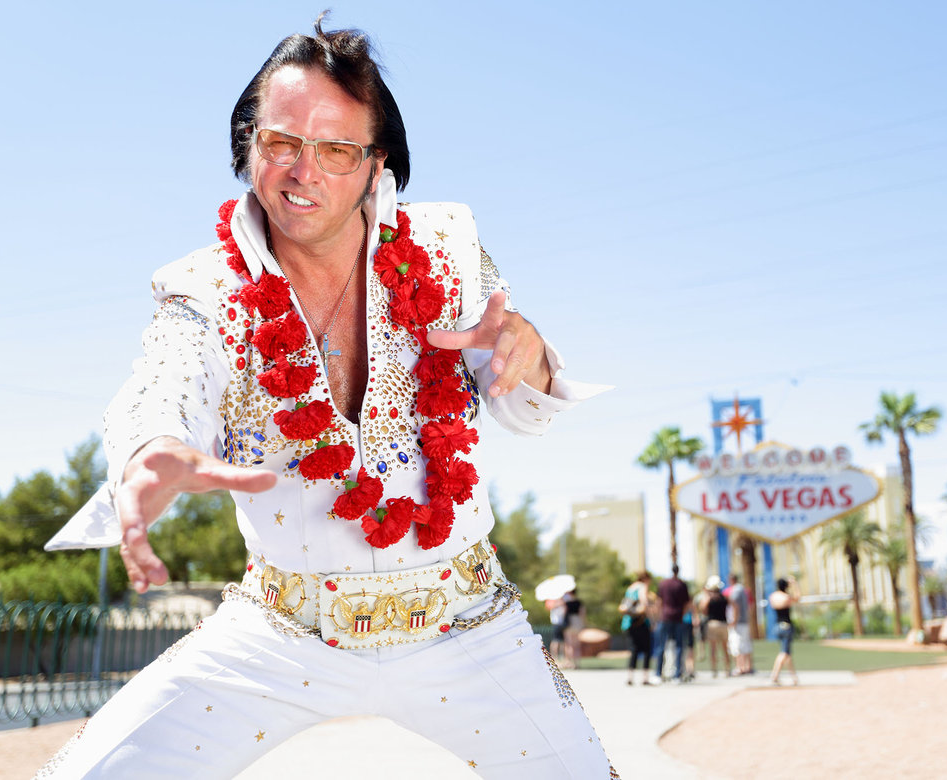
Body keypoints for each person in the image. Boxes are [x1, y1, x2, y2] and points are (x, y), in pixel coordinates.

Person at [37, 16, 616, 779]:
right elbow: (164, 379)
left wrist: (530, 351)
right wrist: (153, 449)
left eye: (337, 149)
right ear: (249, 150)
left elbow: (518, 403)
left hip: (468, 622)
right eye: (281, 142)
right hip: (280, 630)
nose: (303, 172)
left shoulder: (444, 246)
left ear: (378, 167)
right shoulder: (202, 289)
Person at [650, 565, 691, 684]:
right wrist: (682, 615)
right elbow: (686, 603)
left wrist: (657, 617)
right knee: (679, 647)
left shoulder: (663, 584)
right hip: (678, 618)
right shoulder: (681, 585)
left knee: (661, 646)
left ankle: (658, 673)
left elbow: (659, 602)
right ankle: (677, 675)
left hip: (665, 618)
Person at [620, 572, 654, 686]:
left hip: (629, 622)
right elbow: (644, 602)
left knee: (633, 649)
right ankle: (645, 677)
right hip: (641, 621)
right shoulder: (642, 587)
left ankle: (630, 676)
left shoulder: (630, 588)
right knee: (646, 649)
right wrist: (652, 619)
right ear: (646, 579)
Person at [769, 577, 801, 686]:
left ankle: (794, 677)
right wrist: (795, 584)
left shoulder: (773, 596)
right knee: (784, 653)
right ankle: (775, 675)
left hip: (777, 626)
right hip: (786, 626)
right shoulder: (786, 597)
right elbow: (797, 598)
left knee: (787, 653)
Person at [701, 575, 731, 677]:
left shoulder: (709, 599)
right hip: (723, 623)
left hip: (712, 624)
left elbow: (703, 610)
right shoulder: (724, 597)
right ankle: (727, 669)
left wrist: (706, 595)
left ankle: (714, 670)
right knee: (724, 648)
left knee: (713, 649)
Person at [725, 573, 754, 676]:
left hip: (738, 622)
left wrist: (734, 620)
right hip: (744, 621)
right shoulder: (745, 591)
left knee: (737, 645)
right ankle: (748, 666)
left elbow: (735, 606)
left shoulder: (735, 591)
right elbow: (750, 606)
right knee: (746, 644)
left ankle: (740, 667)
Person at [561, 588, 585, 669]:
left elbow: (564, 614)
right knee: (576, 645)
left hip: (569, 623)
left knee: (569, 644)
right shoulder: (579, 602)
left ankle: (570, 663)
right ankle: (577, 663)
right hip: (577, 622)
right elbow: (582, 614)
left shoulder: (566, 603)